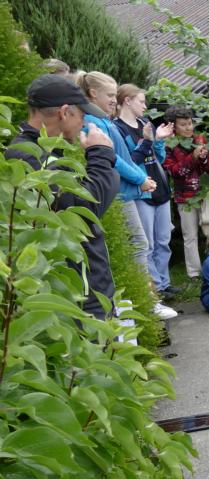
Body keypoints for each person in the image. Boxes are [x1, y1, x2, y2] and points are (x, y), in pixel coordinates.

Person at [5, 75, 117, 319]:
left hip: (87, 294)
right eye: (82, 114)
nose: (84, 122)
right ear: (64, 113)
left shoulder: (47, 152)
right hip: (79, 304)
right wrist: (101, 154)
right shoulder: (29, 156)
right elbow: (87, 206)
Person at [73, 70, 176, 320]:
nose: (114, 99)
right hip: (119, 194)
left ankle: (147, 298)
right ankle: (146, 301)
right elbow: (113, 158)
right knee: (139, 245)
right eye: (110, 94)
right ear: (93, 93)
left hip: (129, 191)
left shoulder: (104, 120)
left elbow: (128, 157)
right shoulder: (93, 122)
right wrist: (140, 179)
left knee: (144, 244)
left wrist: (150, 148)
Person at [114, 84, 175, 299]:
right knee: (146, 243)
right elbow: (130, 160)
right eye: (141, 101)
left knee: (163, 240)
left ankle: (164, 283)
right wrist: (148, 141)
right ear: (127, 101)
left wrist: (159, 140)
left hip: (160, 187)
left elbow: (159, 158)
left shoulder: (144, 123)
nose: (145, 106)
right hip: (142, 191)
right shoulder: (118, 128)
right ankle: (154, 287)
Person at [161, 105, 209, 279]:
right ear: (173, 127)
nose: (188, 128)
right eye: (183, 125)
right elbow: (175, 172)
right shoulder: (169, 145)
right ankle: (194, 273)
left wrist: (204, 158)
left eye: (190, 123)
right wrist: (192, 157)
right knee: (190, 235)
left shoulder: (200, 139)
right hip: (184, 197)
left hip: (206, 194)